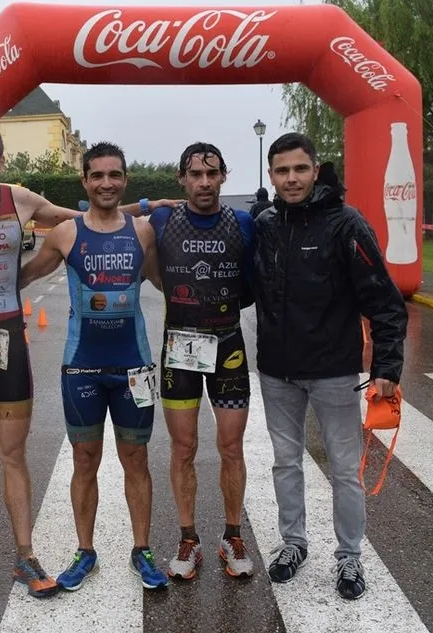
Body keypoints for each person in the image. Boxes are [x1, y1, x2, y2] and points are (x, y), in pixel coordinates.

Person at [0, 119, 174, 598]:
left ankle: (31, 555)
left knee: (20, 455)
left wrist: (148, 208)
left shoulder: (26, 201)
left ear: (0, 160)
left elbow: (87, 219)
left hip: (32, 346)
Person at [254, 132, 408, 600]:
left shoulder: (346, 223)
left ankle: (349, 557)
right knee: (286, 462)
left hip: (333, 371)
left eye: (300, 169)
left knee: (344, 468)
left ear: (316, 171)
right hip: (276, 370)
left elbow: (384, 299)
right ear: (271, 176)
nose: (291, 178)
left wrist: (387, 366)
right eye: (282, 170)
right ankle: (293, 543)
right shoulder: (265, 224)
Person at [18, 142, 169, 591]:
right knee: (84, 460)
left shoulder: (143, 232)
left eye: (114, 175)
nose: (106, 183)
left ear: (125, 180)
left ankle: (142, 550)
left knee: (136, 459)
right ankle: (86, 552)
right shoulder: (66, 233)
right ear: (84, 181)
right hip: (81, 367)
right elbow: (27, 275)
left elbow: (164, 282)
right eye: (97, 175)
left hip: (134, 367)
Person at [143, 142, 258, 581]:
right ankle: (188, 539)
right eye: (195, 174)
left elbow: (254, 281)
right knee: (184, 447)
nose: (204, 182)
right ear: (182, 179)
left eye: (212, 174)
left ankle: (233, 536)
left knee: (231, 446)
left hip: (228, 344)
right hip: (181, 347)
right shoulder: (162, 220)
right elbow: (142, 259)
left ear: (224, 175)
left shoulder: (243, 222)